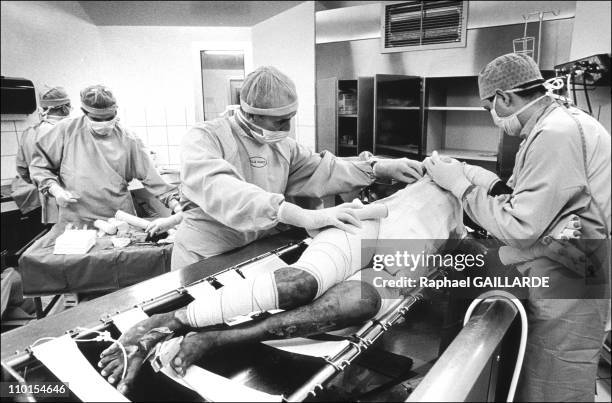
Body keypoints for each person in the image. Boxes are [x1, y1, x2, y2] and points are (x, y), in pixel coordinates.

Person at [98, 177, 466, 394]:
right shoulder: (433, 177)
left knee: (362, 303)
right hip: (371, 226)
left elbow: (504, 229)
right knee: (300, 283)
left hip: (404, 261)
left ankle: (212, 338)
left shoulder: (472, 200)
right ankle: (167, 322)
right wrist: (379, 170)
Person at [424, 53, 611, 402]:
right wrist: (490, 185)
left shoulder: (556, 134)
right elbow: (541, 197)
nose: (492, 117)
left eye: (487, 108)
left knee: (554, 380)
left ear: (504, 98)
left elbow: (520, 226)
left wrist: (460, 187)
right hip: (568, 263)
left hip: (571, 275)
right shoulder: (557, 122)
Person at [173, 66, 424, 269]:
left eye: (290, 120)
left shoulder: (284, 147)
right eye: (279, 121)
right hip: (205, 256)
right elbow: (222, 189)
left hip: (252, 251)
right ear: (250, 114)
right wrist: (297, 214)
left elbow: (324, 169)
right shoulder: (205, 138)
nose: (285, 130)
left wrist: (377, 168)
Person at [29, 85, 182, 224]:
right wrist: (55, 190)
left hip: (119, 218)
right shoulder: (65, 131)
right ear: (84, 112)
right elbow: (39, 167)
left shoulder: (128, 139)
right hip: (76, 218)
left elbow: (152, 177)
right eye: (96, 119)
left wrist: (176, 205)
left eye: (109, 118)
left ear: (116, 111)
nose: (104, 123)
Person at [11, 86, 71, 223]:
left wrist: (43, 185)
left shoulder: (29, 133)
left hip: (48, 203)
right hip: (70, 202)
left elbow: (22, 169)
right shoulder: (68, 131)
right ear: (64, 108)